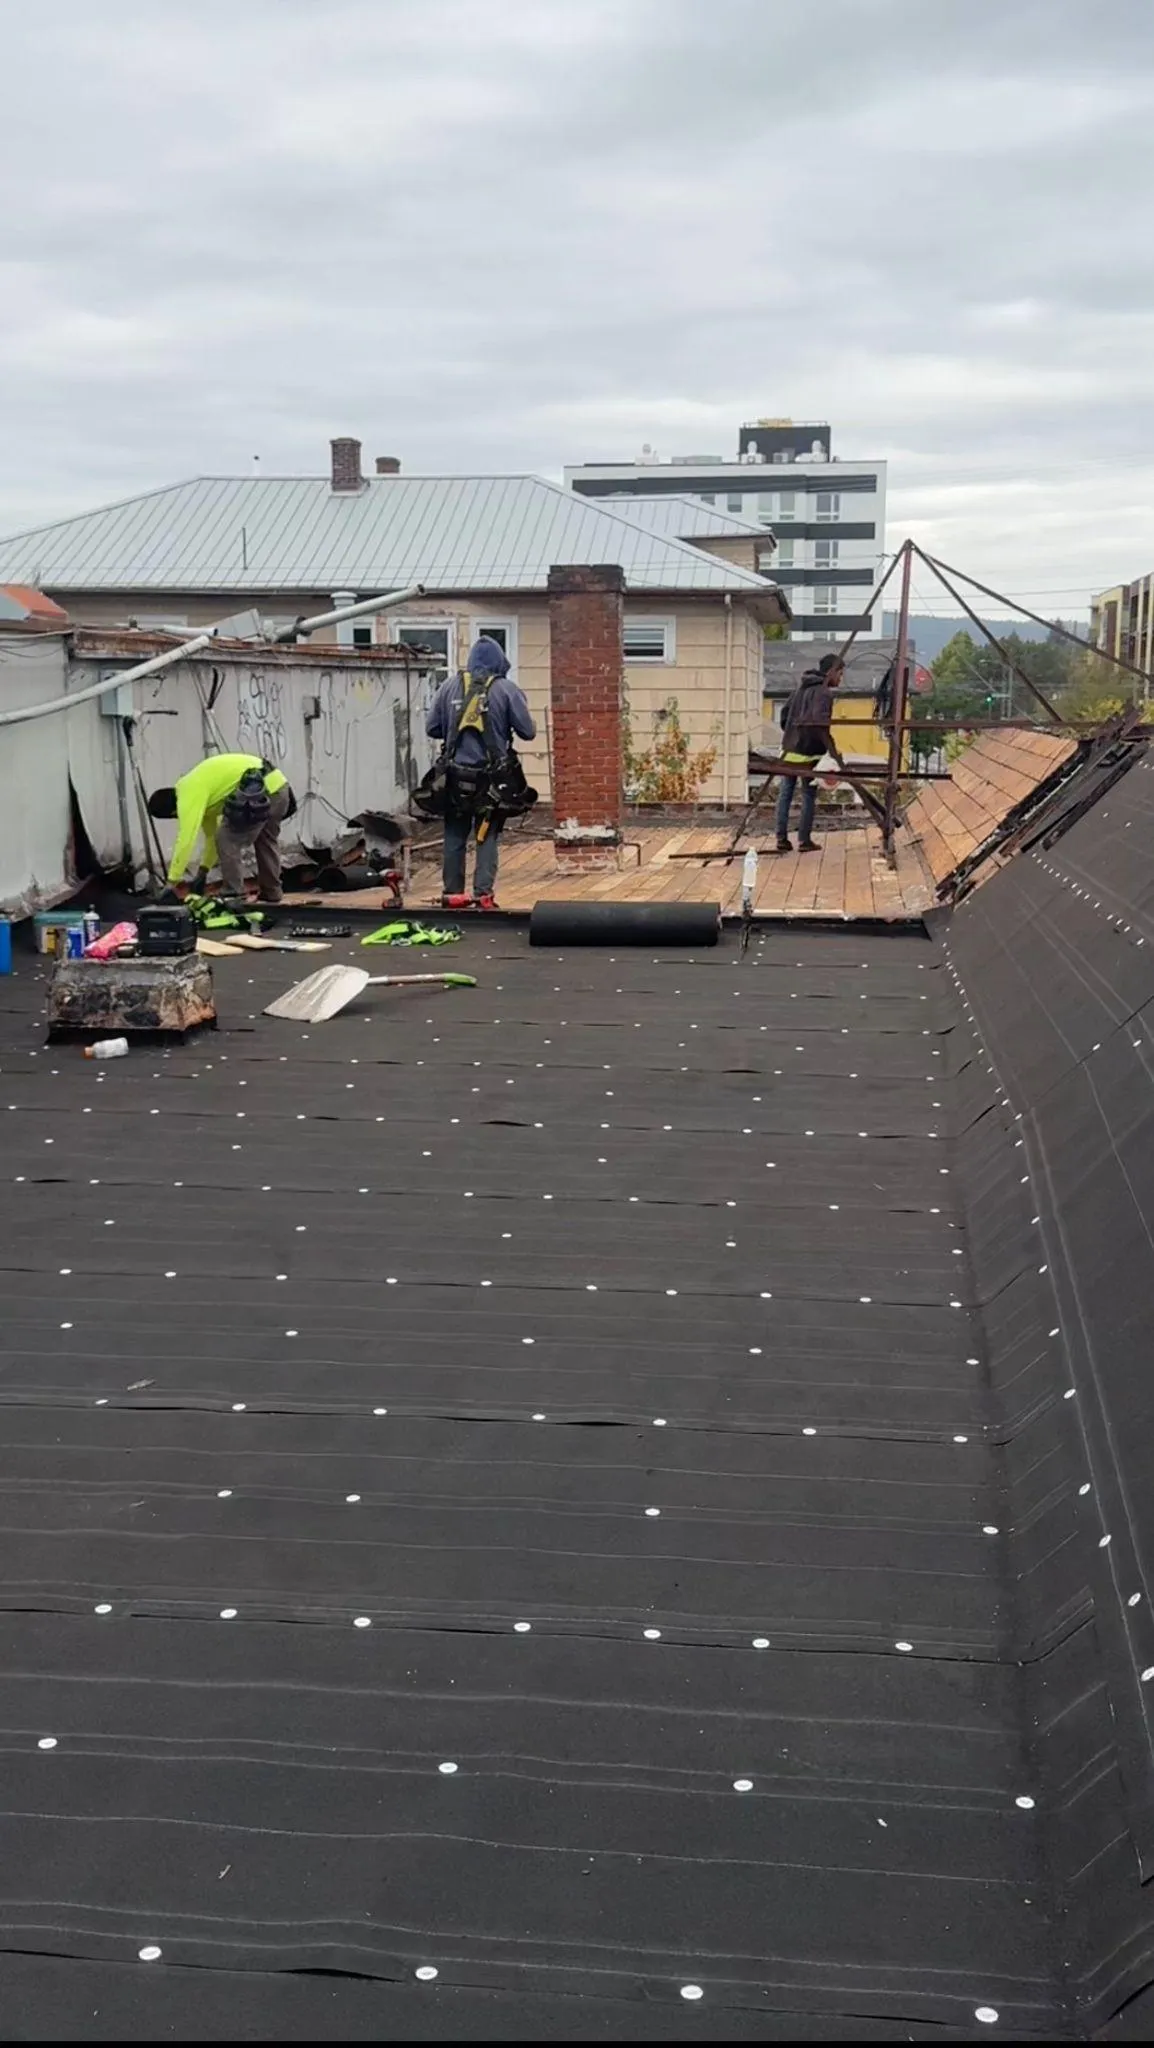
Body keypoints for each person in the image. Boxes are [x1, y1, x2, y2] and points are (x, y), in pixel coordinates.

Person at [426, 636, 536, 909]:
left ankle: (452, 895)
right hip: (490, 782)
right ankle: (482, 894)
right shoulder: (506, 689)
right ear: (500, 663)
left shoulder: (449, 686)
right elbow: (528, 732)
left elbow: (432, 728)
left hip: (454, 778)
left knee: (454, 835)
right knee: (486, 835)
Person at [148, 753, 295, 902]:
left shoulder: (187, 795)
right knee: (265, 839)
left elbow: (186, 840)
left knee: (227, 838)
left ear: (173, 812)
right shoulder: (200, 792)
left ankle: (233, 893)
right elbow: (211, 838)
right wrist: (203, 872)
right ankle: (272, 892)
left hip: (258, 789)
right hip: (278, 787)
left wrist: (172, 882)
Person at [775, 654, 846, 853]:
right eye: (840, 674)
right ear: (831, 672)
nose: (840, 679)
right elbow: (820, 726)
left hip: (789, 750)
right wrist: (833, 753)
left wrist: (791, 734)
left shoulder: (800, 689)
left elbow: (784, 716)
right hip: (809, 754)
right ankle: (804, 840)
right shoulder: (823, 693)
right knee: (808, 794)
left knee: (785, 794)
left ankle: (781, 838)